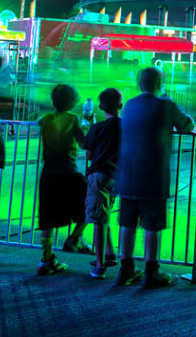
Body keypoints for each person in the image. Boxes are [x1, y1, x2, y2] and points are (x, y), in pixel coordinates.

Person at [114, 67, 195, 288]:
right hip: (153, 176)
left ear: (140, 84)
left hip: (128, 173)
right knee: (152, 225)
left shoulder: (130, 105)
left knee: (127, 223)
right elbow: (188, 125)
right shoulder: (165, 105)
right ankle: (152, 271)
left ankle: (126, 269)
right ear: (160, 83)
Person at [36, 84, 90, 275]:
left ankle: (46, 258)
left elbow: (38, 121)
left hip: (48, 174)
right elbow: (84, 144)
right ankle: (75, 238)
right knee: (91, 203)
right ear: (73, 102)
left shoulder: (46, 119)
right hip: (68, 172)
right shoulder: (73, 119)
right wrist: (88, 124)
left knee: (47, 217)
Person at [85, 88, 123, 278]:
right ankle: (110, 253)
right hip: (117, 176)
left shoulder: (96, 128)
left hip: (99, 175)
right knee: (104, 212)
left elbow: (89, 154)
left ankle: (99, 265)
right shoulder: (126, 127)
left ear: (100, 107)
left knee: (98, 219)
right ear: (120, 106)